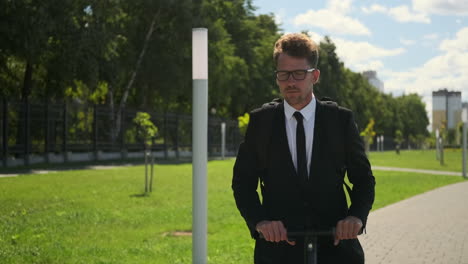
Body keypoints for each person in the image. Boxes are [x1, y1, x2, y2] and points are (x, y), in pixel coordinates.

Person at [232, 33, 375, 264]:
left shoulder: (340, 120)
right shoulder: (261, 123)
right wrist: (260, 222)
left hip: (336, 248)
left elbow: (364, 179)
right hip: (278, 251)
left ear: (314, 76)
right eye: (283, 74)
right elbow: (243, 183)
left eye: (299, 74)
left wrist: (356, 217)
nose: (290, 82)